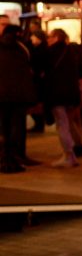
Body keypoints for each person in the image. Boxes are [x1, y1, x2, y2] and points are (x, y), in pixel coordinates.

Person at [44, 28, 82, 168]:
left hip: (57, 94)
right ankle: (74, 151)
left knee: (62, 125)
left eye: (50, 37)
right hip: (72, 94)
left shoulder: (50, 53)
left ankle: (69, 155)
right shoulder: (72, 52)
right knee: (68, 123)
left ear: (56, 37)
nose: (48, 40)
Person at [0, 26, 37, 174]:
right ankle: (14, 159)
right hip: (19, 98)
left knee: (3, 129)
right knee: (16, 129)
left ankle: (4, 160)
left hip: (1, 97)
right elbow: (29, 72)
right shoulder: (22, 49)